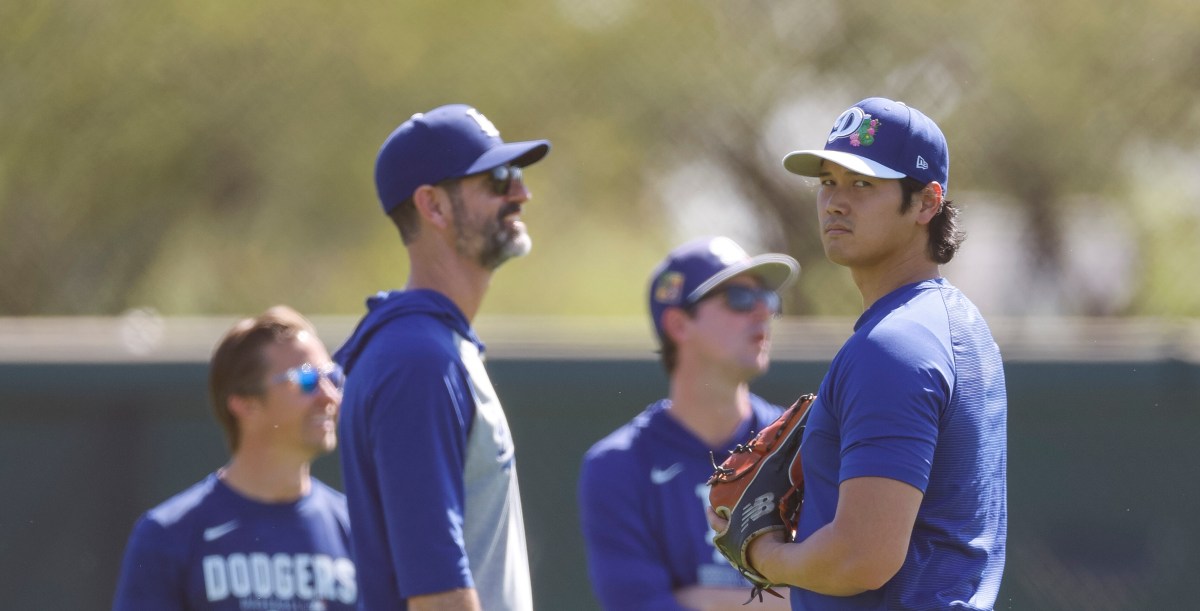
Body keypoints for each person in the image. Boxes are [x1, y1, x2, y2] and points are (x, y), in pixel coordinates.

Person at [708, 97, 1008, 610]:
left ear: (927, 203)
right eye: (828, 182)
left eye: (863, 184)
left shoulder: (895, 346)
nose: (836, 202)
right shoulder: (952, 323)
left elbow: (861, 559)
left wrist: (765, 555)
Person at [333, 103, 550, 610]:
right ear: (433, 206)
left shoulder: (428, 346)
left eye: (515, 174)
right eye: (498, 178)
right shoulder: (418, 359)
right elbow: (437, 593)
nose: (521, 192)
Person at [579, 236, 801, 611]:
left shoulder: (800, 445)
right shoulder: (616, 465)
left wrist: (699, 601)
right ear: (679, 324)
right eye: (740, 299)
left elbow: (837, 595)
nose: (762, 311)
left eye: (767, 299)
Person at [112, 305, 356, 610]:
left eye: (332, 377)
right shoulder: (168, 536)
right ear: (245, 405)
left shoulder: (359, 531)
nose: (330, 396)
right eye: (307, 379)